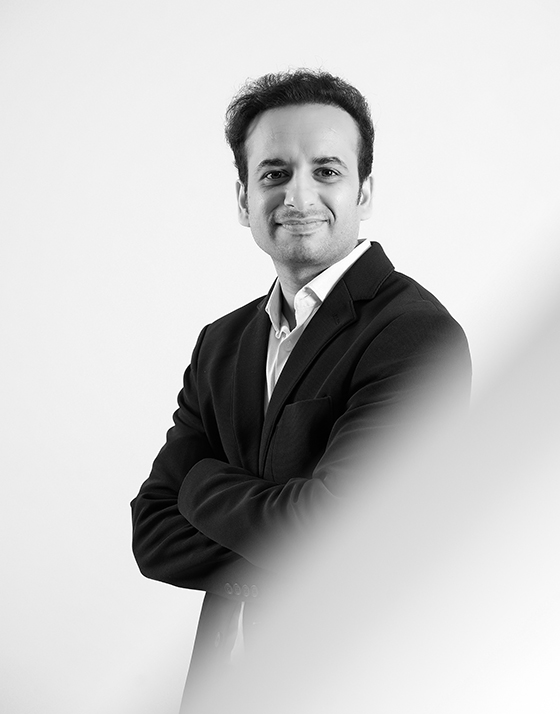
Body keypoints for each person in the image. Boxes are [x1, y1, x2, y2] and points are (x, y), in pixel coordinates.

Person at [130, 69, 471, 703]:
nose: (298, 195)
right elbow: (152, 533)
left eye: (327, 170)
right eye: (275, 173)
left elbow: (340, 535)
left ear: (364, 191)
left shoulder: (416, 335)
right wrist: (289, 543)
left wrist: (200, 484)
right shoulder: (221, 343)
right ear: (244, 199)